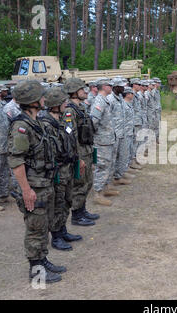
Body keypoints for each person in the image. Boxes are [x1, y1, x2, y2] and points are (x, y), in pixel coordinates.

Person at [8, 80, 65, 283]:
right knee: (35, 229)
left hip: (44, 183)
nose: (44, 99)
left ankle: (42, 259)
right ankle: (36, 271)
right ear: (32, 100)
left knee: (43, 226)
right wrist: (26, 190)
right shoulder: (22, 126)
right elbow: (16, 160)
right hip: (34, 186)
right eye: (41, 96)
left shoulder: (37, 121)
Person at [39, 87, 82, 251]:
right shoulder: (46, 124)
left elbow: (71, 140)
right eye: (63, 101)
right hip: (57, 171)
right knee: (57, 203)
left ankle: (63, 229)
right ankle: (56, 236)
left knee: (66, 200)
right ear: (55, 104)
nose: (66, 103)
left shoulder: (63, 120)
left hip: (68, 167)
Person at [63, 78, 99, 226]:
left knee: (88, 182)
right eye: (82, 89)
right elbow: (70, 136)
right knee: (79, 184)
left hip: (87, 150)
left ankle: (82, 209)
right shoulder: (69, 110)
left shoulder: (81, 108)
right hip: (80, 153)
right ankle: (77, 215)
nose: (85, 91)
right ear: (74, 92)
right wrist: (77, 157)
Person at [91, 78, 120, 206]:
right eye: (110, 85)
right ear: (104, 86)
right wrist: (97, 137)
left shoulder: (105, 100)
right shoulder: (99, 101)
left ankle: (106, 187)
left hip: (108, 139)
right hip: (101, 141)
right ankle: (97, 194)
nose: (112, 86)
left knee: (108, 165)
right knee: (101, 166)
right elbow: (93, 122)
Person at [130, 78, 145, 170]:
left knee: (137, 140)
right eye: (138, 84)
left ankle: (135, 158)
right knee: (134, 142)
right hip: (134, 122)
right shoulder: (130, 95)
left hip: (138, 120)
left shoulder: (135, 95)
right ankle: (133, 160)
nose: (140, 86)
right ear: (133, 85)